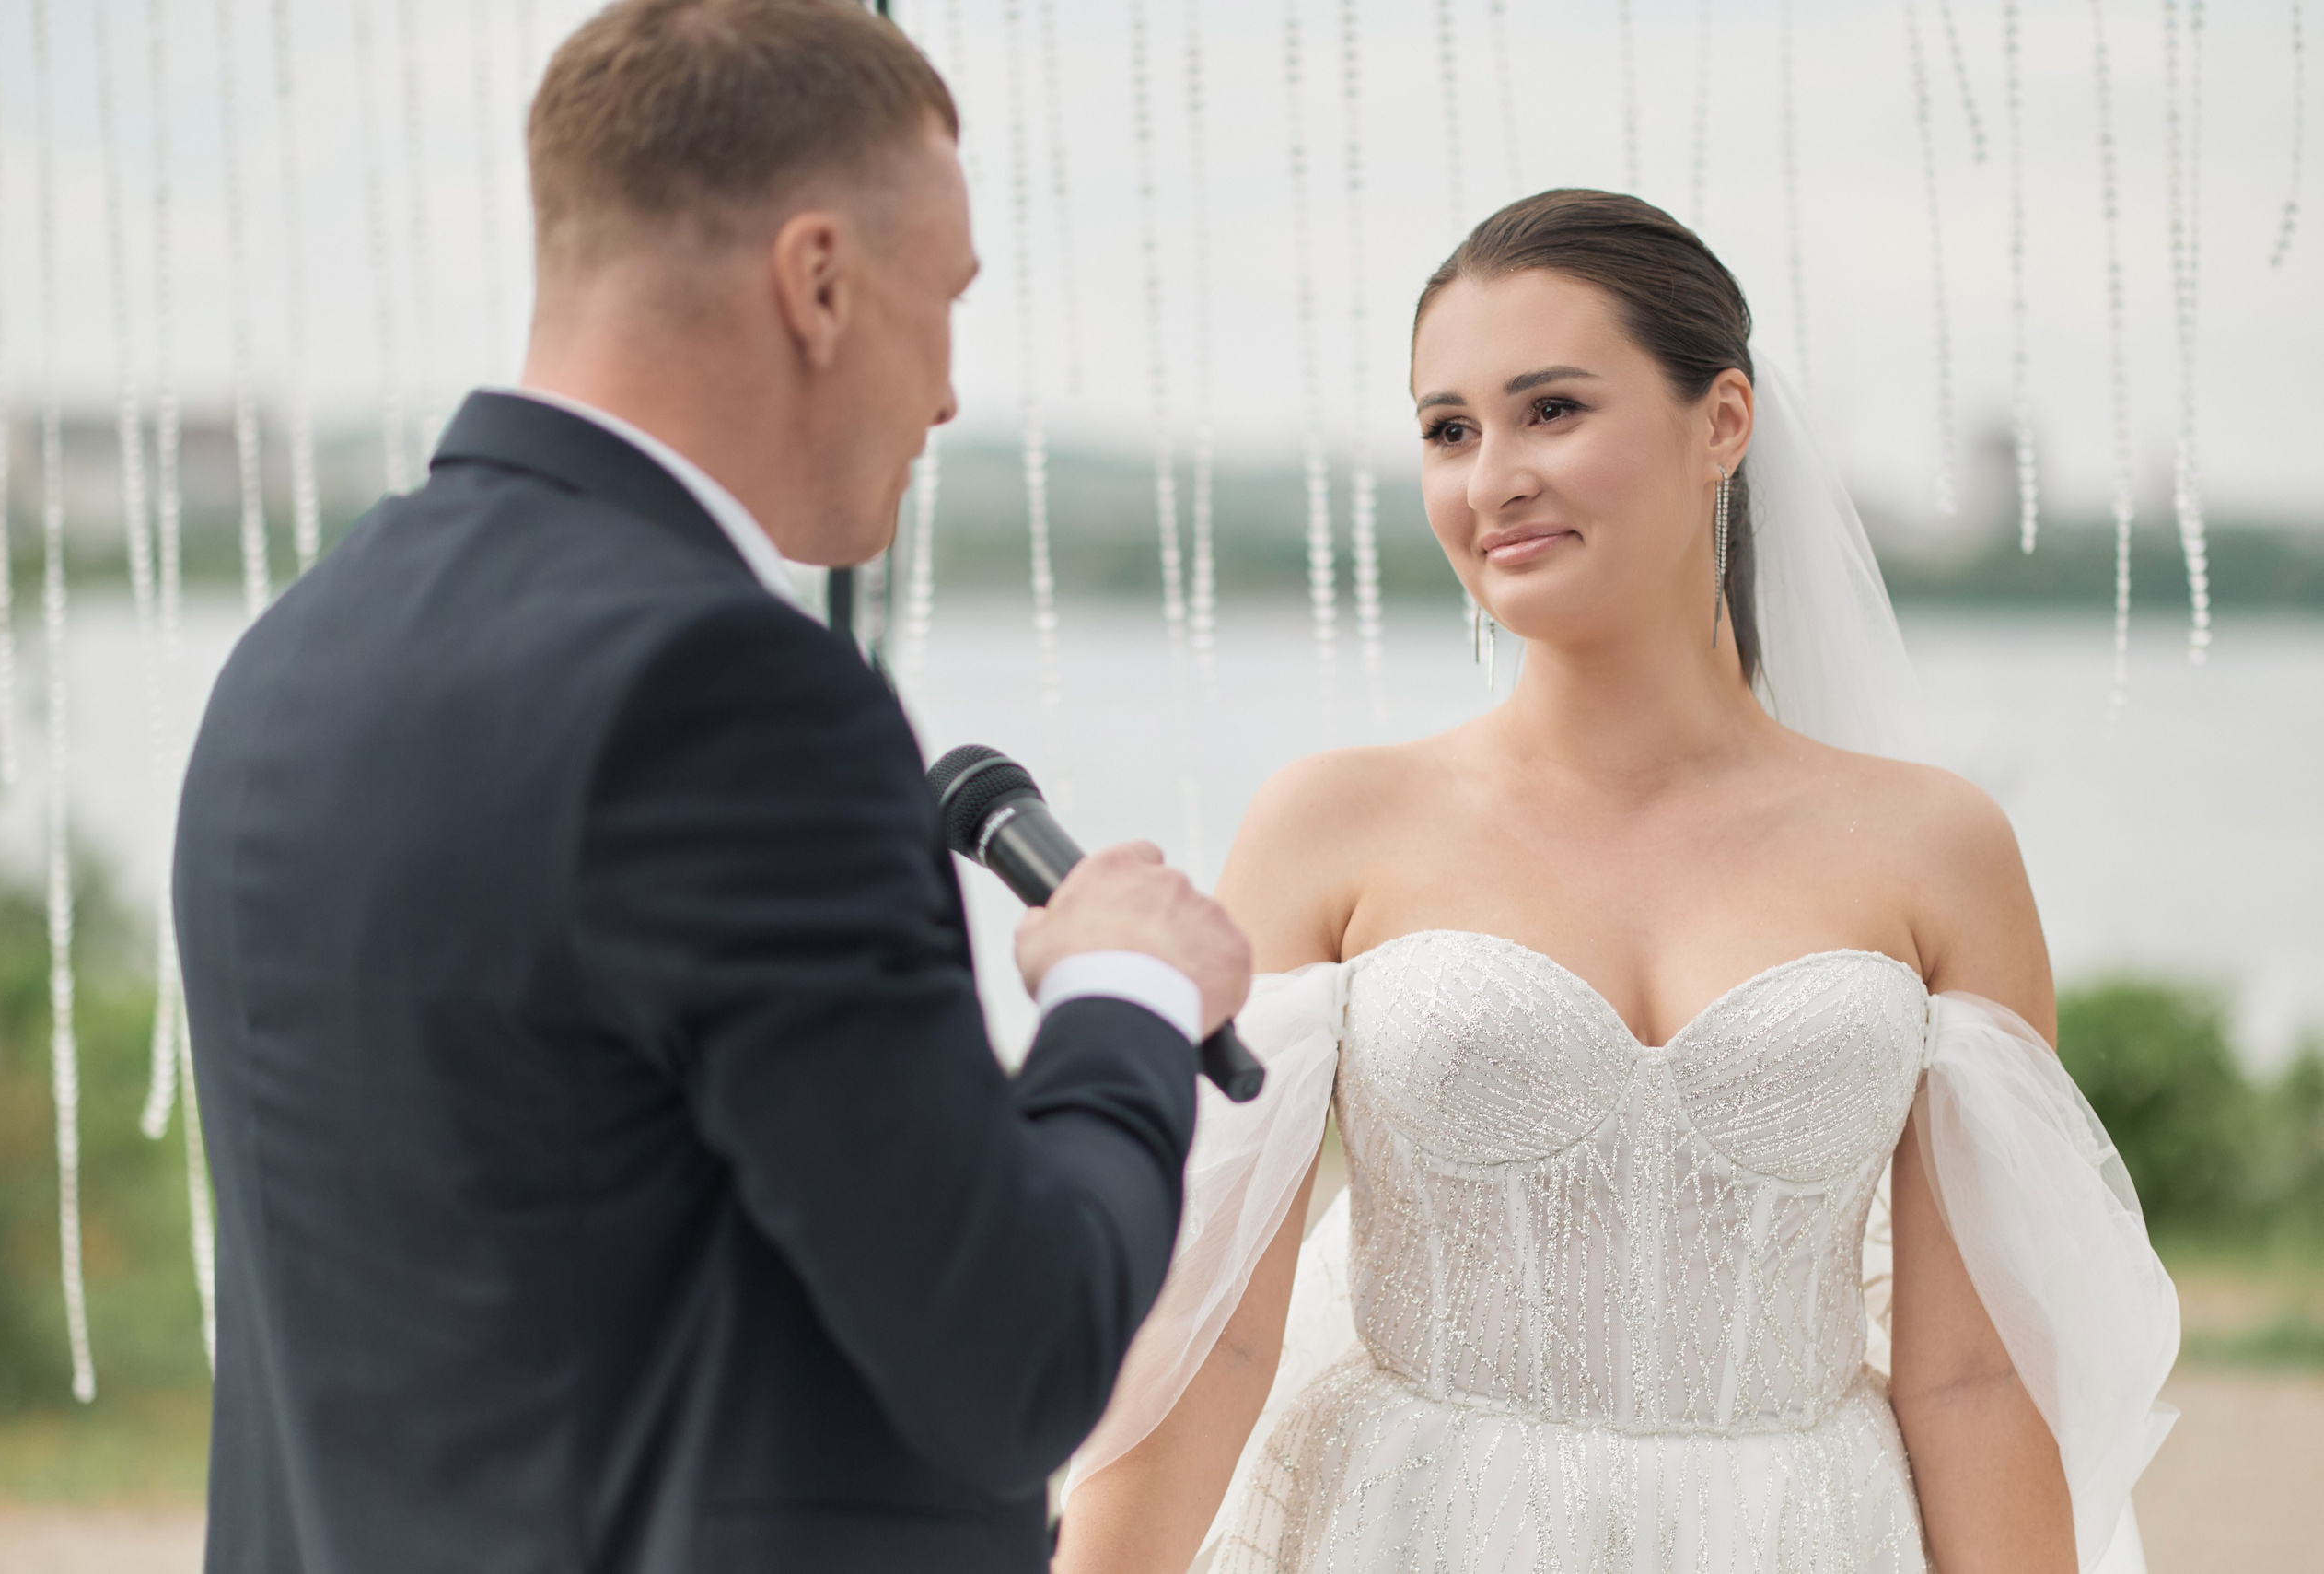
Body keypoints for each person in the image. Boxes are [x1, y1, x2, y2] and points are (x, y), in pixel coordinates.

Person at [172, 3, 1249, 1570]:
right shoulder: (734, 693)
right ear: (816, 282)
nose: (949, 396)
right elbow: (1009, 1352)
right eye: (941, 301)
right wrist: (1124, 990)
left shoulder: (295, 647)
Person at [1052, 191, 2179, 1574]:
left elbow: (1972, 1378)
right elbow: (1216, 1331)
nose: (1493, 478)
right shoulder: (1332, 824)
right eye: (1449, 430)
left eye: (1552, 411)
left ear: (1723, 422)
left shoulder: (1936, 851)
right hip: (1410, 1532)